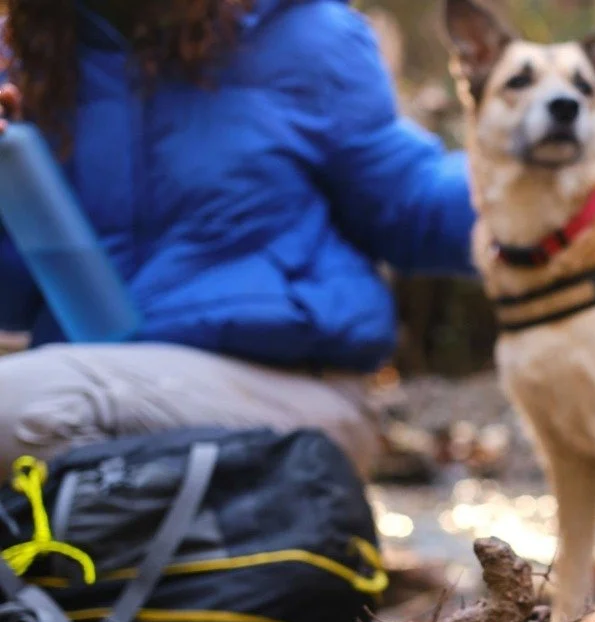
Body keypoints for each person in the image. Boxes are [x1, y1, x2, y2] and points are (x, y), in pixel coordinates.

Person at [0, 0, 477, 477]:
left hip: (289, 388)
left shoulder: (303, 34)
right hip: (83, 381)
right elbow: (14, 298)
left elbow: (407, 202)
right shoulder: (27, 58)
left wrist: (523, 183)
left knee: (17, 403)